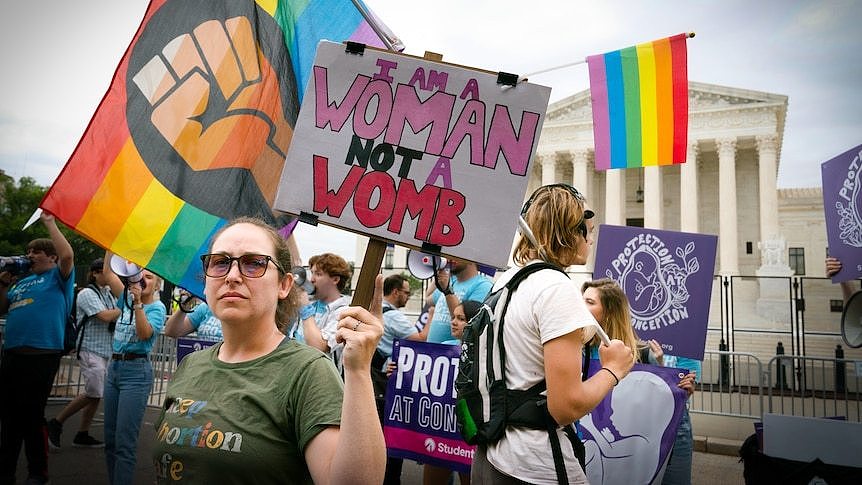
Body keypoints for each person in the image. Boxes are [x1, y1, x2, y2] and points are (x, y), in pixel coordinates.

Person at [151, 217, 386, 483]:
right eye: (220, 262)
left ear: (284, 285)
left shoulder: (308, 372)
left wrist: (357, 370)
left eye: (254, 263)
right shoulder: (190, 365)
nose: (232, 276)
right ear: (205, 282)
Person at [471, 184, 635, 485]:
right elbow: (565, 406)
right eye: (588, 228)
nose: (592, 237)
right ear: (570, 231)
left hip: (493, 452)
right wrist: (613, 370)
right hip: (534, 464)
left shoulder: (507, 280)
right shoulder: (556, 288)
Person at [580, 278, 697, 484]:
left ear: (609, 312)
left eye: (589, 302)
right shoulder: (579, 351)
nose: (581, 307)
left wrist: (676, 389)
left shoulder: (643, 354)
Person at [0, 211, 75, 485]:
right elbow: (2, 308)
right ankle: (6, 471)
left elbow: (67, 256)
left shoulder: (58, 276)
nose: (30, 256)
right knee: (8, 418)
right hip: (12, 355)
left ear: (51, 257)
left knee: (31, 415)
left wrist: (50, 223)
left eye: (37, 252)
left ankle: (37, 473)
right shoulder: (20, 282)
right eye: (28, 251)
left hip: (41, 355)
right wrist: (3, 283)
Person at [101, 252, 166, 485]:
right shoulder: (124, 299)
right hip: (115, 369)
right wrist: (111, 243)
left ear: (157, 284)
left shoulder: (157, 308)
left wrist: (138, 303)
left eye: (149, 277)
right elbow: (108, 273)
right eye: (141, 275)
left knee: (124, 443)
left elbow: (144, 334)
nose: (143, 280)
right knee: (110, 440)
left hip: (136, 374)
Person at [48, 258, 120, 450]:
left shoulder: (107, 293)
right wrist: (125, 308)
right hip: (89, 348)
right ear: (96, 273)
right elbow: (105, 316)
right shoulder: (87, 293)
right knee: (94, 391)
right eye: (108, 271)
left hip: (105, 350)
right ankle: (56, 422)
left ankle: (82, 433)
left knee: (96, 394)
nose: (112, 275)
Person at [297, 253, 353, 362]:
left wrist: (305, 309)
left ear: (335, 279)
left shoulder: (344, 313)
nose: (311, 279)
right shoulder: (311, 304)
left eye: (318, 274)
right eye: (311, 273)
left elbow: (319, 346)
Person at [424, 259, 492, 344]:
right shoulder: (451, 281)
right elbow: (428, 298)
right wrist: (438, 269)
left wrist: (448, 291)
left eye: (455, 254)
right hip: (433, 353)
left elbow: (471, 322)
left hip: (453, 353)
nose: (449, 258)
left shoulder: (483, 286)